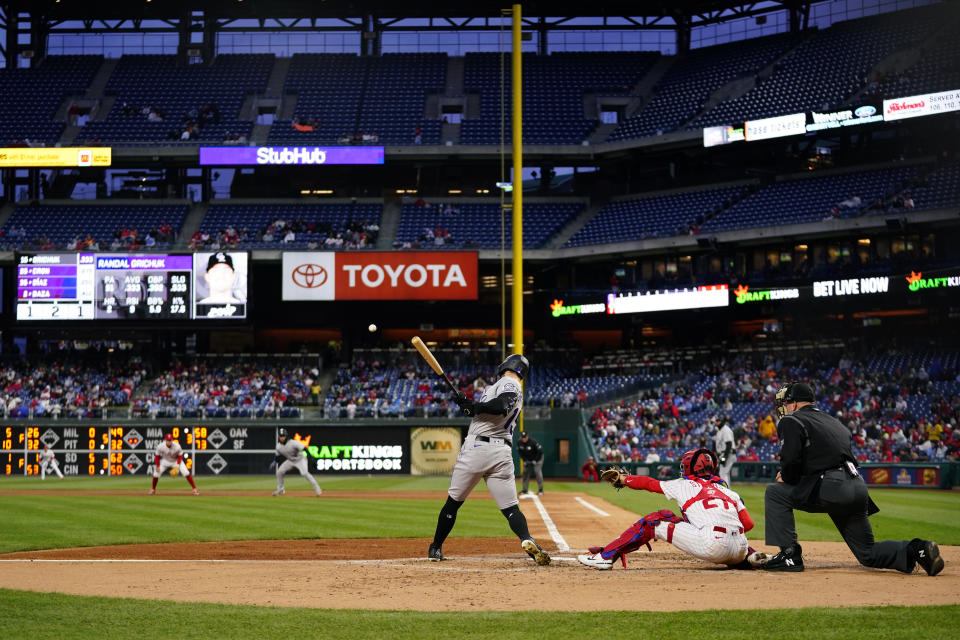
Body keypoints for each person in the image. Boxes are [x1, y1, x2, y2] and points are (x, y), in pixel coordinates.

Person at [762, 383, 944, 576]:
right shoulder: (834, 421)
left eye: (787, 403)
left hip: (832, 487)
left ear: (795, 404)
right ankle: (919, 550)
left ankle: (789, 555)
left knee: (775, 493)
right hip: (857, 486)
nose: (786, 407)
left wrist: (787, 475)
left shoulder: (791, 420)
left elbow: (791, 460)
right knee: (867, 553)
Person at [428, 353, 550, 566]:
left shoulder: (508, 382)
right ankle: (527, 539)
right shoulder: (504, 386)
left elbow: (501, 406)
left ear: (505, 365)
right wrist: (468, 405)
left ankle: (435, 547)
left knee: (453, 503)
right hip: (501, 453)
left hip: (477, 448)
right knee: (511, 509)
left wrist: (473, 406)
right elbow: (487, 410)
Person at [578, 448, 767, 570]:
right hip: (741, 548)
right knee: (728, 530)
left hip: (713, 545)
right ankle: (752, 558)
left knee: (655, 520)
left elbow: (649, 483)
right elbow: (748, 524)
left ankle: (605, 557)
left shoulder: (683, 484)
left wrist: (623, 479)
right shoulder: (727, 490)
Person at [272, 428, 322, 496]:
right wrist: (274, 461)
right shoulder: (278, 446)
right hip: (290, 461)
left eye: (283, 436)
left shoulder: (293, 443)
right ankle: (281, 489)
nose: (282, 438)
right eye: (280, 436)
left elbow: (304, 448)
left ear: (286, 436)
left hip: (300, 459)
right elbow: (277, 456)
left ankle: (317, 489)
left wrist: (311, 458)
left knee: (304, 473)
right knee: (279, 472)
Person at [517, 431, 544, 495]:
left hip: (538, 458)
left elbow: (540, 451)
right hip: (528, 459)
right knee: (525, 473)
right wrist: (525, 461)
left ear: (527, 436)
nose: (524, 439)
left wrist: (535, 460)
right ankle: (525, 490)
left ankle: (540, 490)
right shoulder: (519, 442)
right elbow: (521, 453)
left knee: (537, 471)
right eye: (522, 437)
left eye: (525, 437)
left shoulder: (533, 442)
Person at [713, 418, 736, 484]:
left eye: (718, 421)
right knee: (725, 473)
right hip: (724, 453)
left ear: (722, 421)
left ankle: (726, 490)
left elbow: (729, 444)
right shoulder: (720, 430)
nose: (717, 423)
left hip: (728, 453)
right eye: (716, 421)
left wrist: (724, 457)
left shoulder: (725, 430)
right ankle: (728, 490)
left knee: (723, 473)